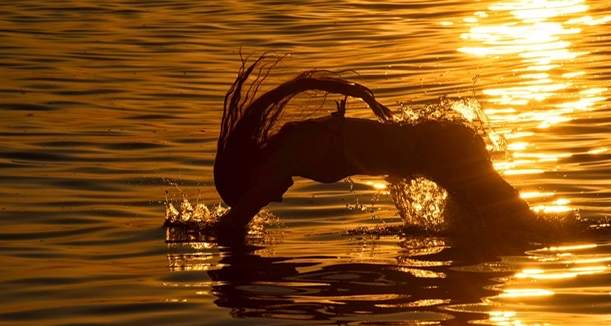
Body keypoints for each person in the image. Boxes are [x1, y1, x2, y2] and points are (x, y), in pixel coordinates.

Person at [214, 54, 536, 234]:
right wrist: (356, 91)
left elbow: (232, 224)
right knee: (497, 232)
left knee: (523, 230)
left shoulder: (280, 158)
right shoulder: (289, 146)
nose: (277, 200)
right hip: (442, 150)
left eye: (263, 195)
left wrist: (186, 230)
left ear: (251, 177)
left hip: (443, 152)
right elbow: (302, 84)